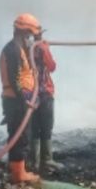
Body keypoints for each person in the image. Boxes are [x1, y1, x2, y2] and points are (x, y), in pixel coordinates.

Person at [0, 13, 41, 183]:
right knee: (20, 136)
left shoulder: (18, 48)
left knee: (18, 135)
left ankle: (17, 170)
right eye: (30, 34)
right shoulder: (13, 50)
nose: (31, 38)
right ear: (24, 32)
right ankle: (19, 174)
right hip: (16, 100)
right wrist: (24, 100)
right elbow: (15, 78)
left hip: (18, 98)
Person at [28, 28, 62, 173]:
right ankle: (46, 160)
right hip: (44, 93)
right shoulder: (41, 47)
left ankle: (33, 162)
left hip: (30, 94)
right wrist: (46, 49)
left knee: (34, 127)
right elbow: (52, 67)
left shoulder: (25, 48)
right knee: (46, 127)